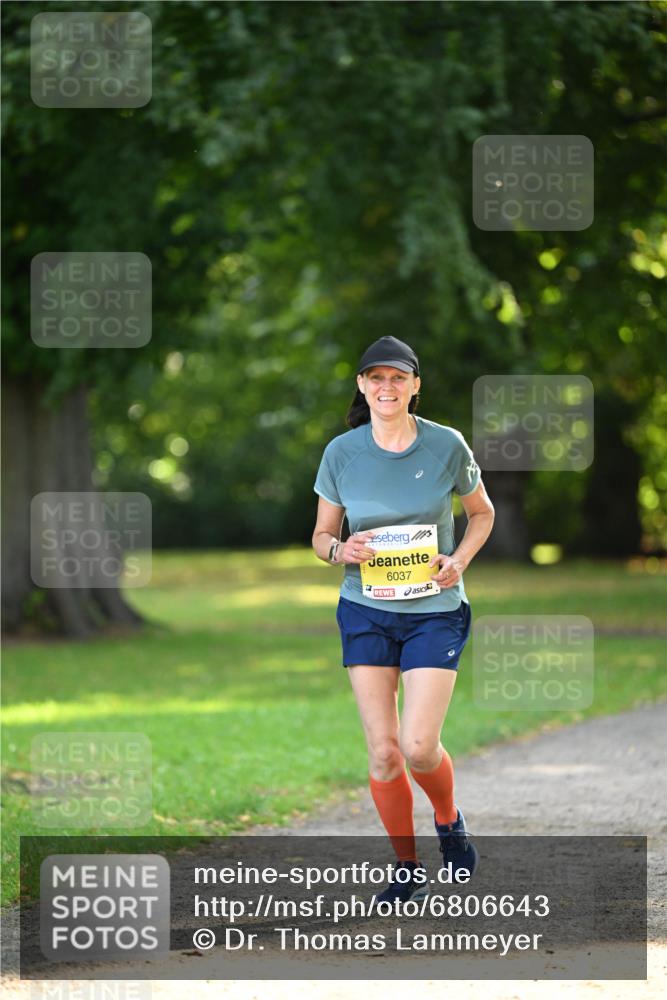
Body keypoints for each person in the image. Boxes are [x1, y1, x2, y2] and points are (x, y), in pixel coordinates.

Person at [311, 335, 495, 904]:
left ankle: (449, 820)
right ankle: (407, 866)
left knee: (418, 746)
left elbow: (481, 514)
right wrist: (340, 550)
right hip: (365, 610)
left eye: (398, 378)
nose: (386, 387)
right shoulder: (341, 453)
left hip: (434, 612)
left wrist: (458, 560)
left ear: (415, 386)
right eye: (376, 378)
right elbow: (321, 536)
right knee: (384, 753)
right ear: (362, 386)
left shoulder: (446, 445)